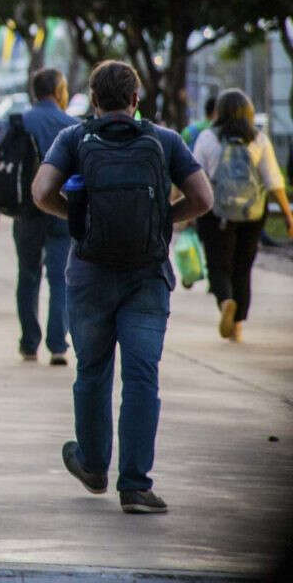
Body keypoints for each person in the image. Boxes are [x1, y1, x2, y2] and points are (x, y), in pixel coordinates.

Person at [32, 60, 212, 515]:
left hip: (89, 273)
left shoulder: (73, 138)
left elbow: (40, 192)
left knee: (92, 371)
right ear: (136, 99)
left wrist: (77, 220)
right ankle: (135, 485)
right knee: (141, 376)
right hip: (146, 277)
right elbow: (203, 199)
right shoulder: (164, 140)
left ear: (93, 100)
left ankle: (93, 466)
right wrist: (162, 219)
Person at [192, 89, 293, 342]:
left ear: (220, 111)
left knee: (218, 265)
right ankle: (237, 327)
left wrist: (186, 211)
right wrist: (288, 216)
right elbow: (274, 182)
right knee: (242, 268)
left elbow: (194, 177)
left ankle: (226, 300)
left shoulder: (207, 138)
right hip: (252, 215)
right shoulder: (258, 139)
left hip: (215, 214)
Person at [11, 68, 79, 364]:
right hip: (62, 209)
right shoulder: (72, 125)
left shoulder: (19, 122)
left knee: (27, 276)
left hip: (26, 211)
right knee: (60, 278)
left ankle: (29, 342)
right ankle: (58, 345)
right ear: (58, 90)